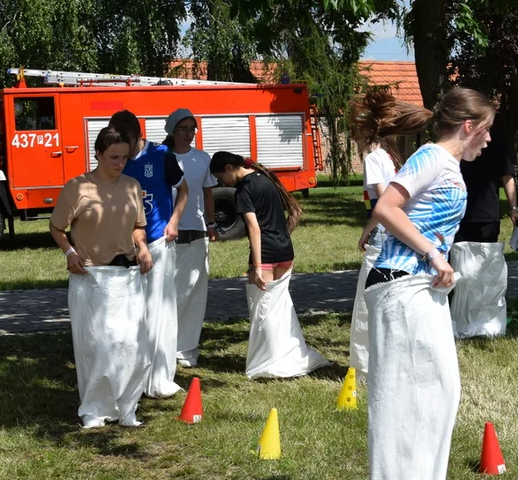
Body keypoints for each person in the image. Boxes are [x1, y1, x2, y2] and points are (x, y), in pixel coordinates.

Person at [350, 86, 495, 480]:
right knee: (405, 398)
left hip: (419, 287)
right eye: (486, 131)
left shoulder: (444, 164)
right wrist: (434, 254)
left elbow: (391, 213)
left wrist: (377, 235)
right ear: (469, 127)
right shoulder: (432, 156)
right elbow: (386, 205)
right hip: (402, 285)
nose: (488, 141)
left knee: (441, 394)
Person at [50, 127, 153, 428]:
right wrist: (70, 253)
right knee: (99, 346)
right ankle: (95, 410)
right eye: (113, 157)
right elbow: (57, 228)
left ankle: (127, 408)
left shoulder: (132, 185)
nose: (120, 163)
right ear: (97, 154)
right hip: (91, 277)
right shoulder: (78, 187)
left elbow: (137, 226)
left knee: (133, 345)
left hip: (127, 274)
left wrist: (143, 247)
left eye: (124, 157)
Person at [210, 151, 328, 379]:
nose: (221, 183)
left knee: (264, 311)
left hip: (266, 253)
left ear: (228, 168)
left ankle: (271, 361)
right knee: (280, 307)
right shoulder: (267, 179)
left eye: (220, 178)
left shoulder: (244, 189)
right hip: (285, 249)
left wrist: (256, 264)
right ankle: (287, 352)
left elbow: (254, 228)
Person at [110, 110, 189, 399]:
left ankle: (159, 377)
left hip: (158, 244)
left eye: (126, 142)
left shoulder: (161, 155)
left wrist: (174, 221)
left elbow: (183, 189)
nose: (122, 151)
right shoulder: (116, 162)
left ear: (137, 134)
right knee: (131, 314)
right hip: (124, 248)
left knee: (160, 311)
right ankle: (132, 375)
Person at [448, 125, 518, 338]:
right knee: (462, 271)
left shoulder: (495, 143)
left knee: (486, 271)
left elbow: (507, 177)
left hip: (486, 215)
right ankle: (463, 318)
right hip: (459, 215)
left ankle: (484, 320)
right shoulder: (456, 142)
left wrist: (514, 208)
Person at [164, 109, 219, 367]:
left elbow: (207, 194)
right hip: (167, 234)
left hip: (197, 231)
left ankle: (186, 348)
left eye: (192, 129)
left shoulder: (202, 158)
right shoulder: (163, 157)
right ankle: (166, 344)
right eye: (183, 129)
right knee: (172, 292)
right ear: (172, 131)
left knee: (196, 292)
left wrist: (211, 223)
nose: (188, 134)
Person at [349, 124, 400, 383]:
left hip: (381, 231)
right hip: (390, 232)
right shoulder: (387, 156)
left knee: (368, 295)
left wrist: (366, 231)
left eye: (355, 134)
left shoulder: (371, 159)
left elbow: (383, 202)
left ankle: (367, 366)